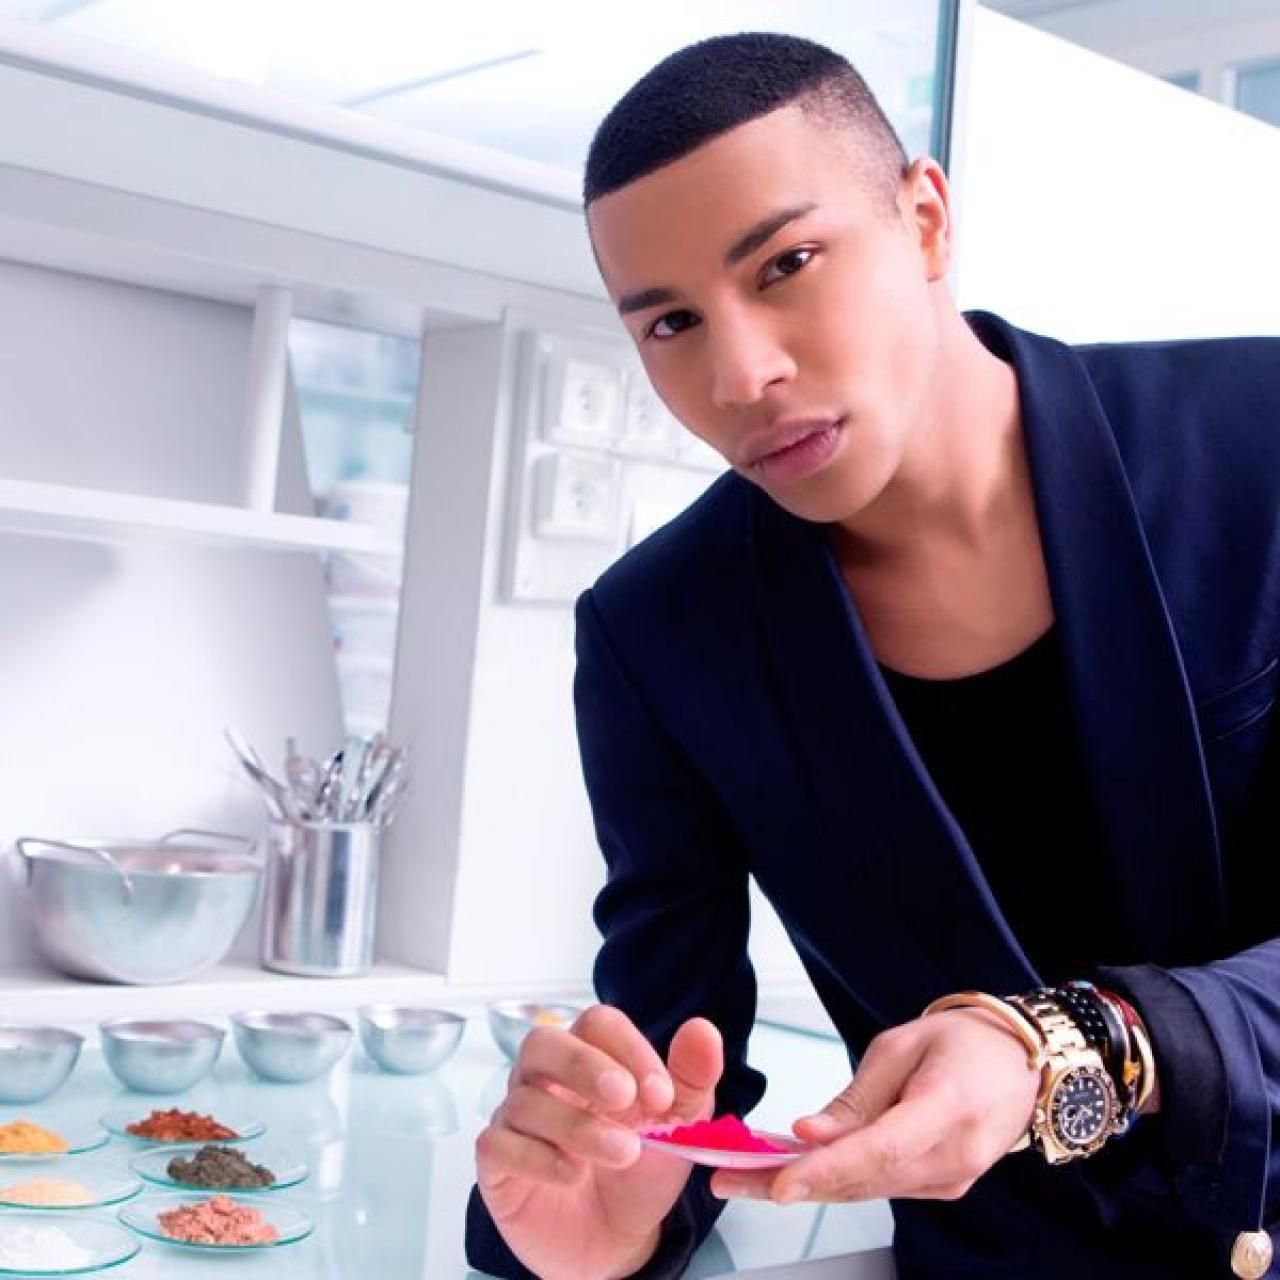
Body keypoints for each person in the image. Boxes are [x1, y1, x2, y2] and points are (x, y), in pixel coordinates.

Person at [466, 30, 1280, 1280]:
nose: (741, 373)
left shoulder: (1253, 440)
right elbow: (675, 1068)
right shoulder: (656, 635)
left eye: (785, 264)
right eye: (671, 321)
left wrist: (1078, 1042)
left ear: (924, 220)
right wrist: (603, 1236)